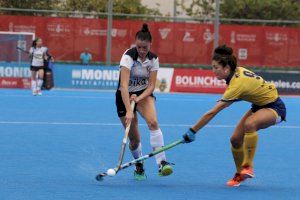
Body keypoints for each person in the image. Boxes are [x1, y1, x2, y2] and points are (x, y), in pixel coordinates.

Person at [182, 45, 286, 187]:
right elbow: (248, 90)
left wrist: (192, 131)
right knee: (235, 139)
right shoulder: (236, 72)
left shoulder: (236, 84)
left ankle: (248, 166)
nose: (213, 71)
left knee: (250, 124)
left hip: (275, 107)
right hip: (258, 106)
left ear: (226, 68)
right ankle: (240, 174)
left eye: (215, 67)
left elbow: (213, 112)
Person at [116, 23, 173, 180]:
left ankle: (162, 163)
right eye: (139, 47)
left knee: (153, 122)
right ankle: (139, 166)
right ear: (135, 43)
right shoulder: (128, 57)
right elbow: (123, 85)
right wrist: (129, 109)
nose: (142, 51)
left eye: (145, 48)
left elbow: (151, 86)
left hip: (143, 94)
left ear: (150, 45)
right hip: (124, 95)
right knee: (134, 140)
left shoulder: (153, 59)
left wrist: (139, 98)